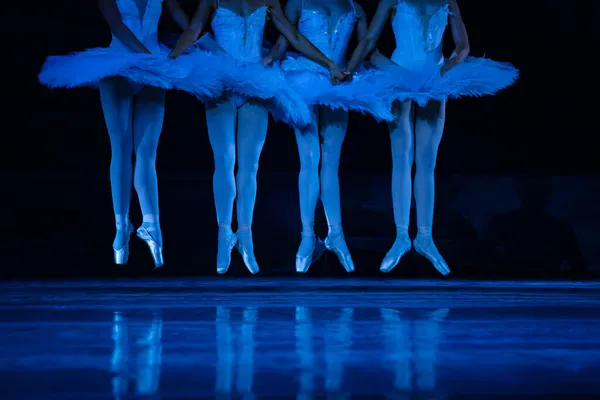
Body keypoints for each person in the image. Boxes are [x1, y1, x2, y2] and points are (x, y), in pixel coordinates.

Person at [38, 0, 226, 268]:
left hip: (153, 66)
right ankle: (121, 224)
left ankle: (152, 225)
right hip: (122, 65)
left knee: (148, 153)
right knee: (121, 148)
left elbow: (182, 19)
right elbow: (117, 25)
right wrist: (148, 59)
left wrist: (197, 38)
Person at [168, 0, 347, 275]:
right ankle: (224, 235)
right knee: (225, 160)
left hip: (256, 80)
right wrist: (169, 62)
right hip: (222, 80)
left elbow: (294, 37)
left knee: (250, 167)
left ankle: (246, 237)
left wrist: (327, 63)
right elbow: (193, 28)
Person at [344, 0, 518, 275]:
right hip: (399, 78)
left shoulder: (448, 1)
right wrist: (360, 68)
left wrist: (445, 69)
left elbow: (463, 47)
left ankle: (424, 237)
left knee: (427, 163)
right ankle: (401, 236)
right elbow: (370, 43)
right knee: (401, 158)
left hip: (435, 80)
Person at [263, 0, 394, 273]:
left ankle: (336, 234)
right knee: (310, 158)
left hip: (340, 82)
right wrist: (263, 65)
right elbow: (287, 41)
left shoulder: (355, 6)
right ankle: (308, 236)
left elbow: (367, 41)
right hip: (304, 78)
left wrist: (349, 69)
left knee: (331, 163)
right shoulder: (297, 3)